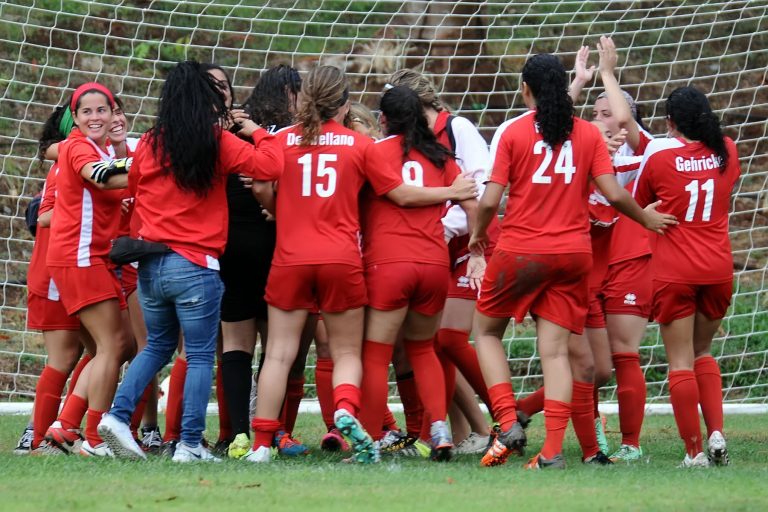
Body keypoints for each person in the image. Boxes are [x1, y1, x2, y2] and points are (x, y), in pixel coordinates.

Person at [247, 65, 477, 464]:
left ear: (303, 100)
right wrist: (451, 193)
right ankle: (344, 411)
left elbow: (261, 183)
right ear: (345, 104)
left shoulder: (281, 140)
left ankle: (261, 446)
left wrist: (280, 210)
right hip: (343, 258)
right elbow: (400, 193)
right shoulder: (360, 146)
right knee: (348, 351)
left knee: (279, 353)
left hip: (290, 257)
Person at [469, 53, 676, 470]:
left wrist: (478, 235)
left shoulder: (514, 132)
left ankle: (508, 418)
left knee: (486, 331)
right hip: (574, 255)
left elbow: (491, 199)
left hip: (523, 249)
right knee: (557, 354)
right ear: (564, 86)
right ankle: (551, 453)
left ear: (525, 90)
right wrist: (646, 216)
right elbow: (616, 195)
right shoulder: (586, 134)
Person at [97, 60, 283, 463]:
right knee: (199, 355)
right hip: (195, 264)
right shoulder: (216, 140)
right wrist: (256, 132)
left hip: (151, 264)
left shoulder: (148, 142)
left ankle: (116, 416)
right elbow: (271, 165)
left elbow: (133, 183)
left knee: (156, 347)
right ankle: (189, 443)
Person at [358, 85, 484, 462]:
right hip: (433, 264)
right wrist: (477, 248)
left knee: (376, 354)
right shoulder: (441, 155)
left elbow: (399, 194)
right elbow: (471, 202)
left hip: (390, 263)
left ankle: (370, 441)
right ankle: (440, 431)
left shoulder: (373, 152)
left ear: (383, 119)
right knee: (423, 348)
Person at [386, 68, 497, 454]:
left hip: (470, 242)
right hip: (433, 248)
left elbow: (480, 192)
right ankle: (469, 431)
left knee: (449, 337)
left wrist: (449, 230)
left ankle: (508, 416)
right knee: (430, 343)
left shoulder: (459, 128)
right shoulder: (403, 141)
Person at [634, 85, 740, 468]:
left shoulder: (661, 159)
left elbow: (638, 199)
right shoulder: (728, 150)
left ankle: (693, 452)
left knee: (679, 361)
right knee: (702, 352)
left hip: (675, 271)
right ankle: (716, 433)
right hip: (717, 269)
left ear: (670, 123)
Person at [219, 64, 312, 459]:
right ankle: (277, 432)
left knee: (236, 344)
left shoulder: (232, 129)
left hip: (232, 245)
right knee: (279, 347)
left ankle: (237, 434)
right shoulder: (294, 137)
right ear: (291, 94)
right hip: (279, 246)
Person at [43, 82, 134, 457]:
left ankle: (69, 426)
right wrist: (161, 164)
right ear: (75, 118)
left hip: (94, 257)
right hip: (77, 257)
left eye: (103, 110)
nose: (95, 117)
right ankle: (95, 437)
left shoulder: (105, 147)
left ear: (114, 113)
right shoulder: (78, 146)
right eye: (87, 112)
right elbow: (103, 176)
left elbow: (120, 176)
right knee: (113, 344)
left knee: (118, 344)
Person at [20, 105, 92, 454]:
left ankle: (63, 428)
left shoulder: (76, 156)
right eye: (88, 113)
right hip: (55, 272)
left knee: (102, 348)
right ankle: (41, 438)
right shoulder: (70, 160)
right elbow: (44, 217)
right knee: (67, 356)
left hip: (75, 268)